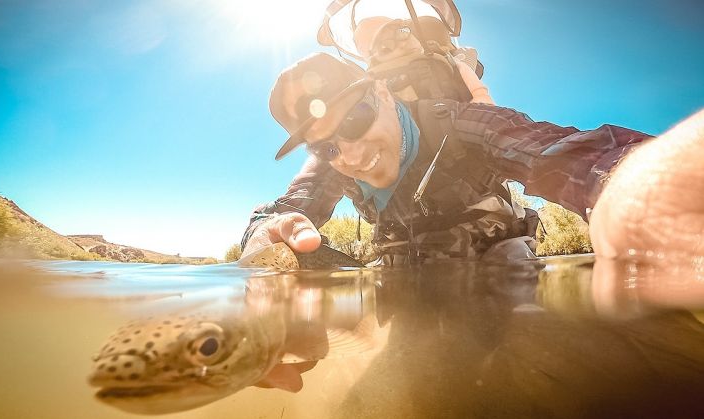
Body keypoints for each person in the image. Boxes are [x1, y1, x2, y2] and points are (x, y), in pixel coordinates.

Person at [240, 51, 700, 265]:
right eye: (326, 146)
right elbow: (281, 212)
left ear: (381, 90)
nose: (352, 155)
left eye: (356, 119)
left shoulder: (461, 123)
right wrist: (264, 240)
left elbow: (554, 151)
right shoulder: (332, 165)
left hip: (500, 265)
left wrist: (638, 183)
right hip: (406, 277)